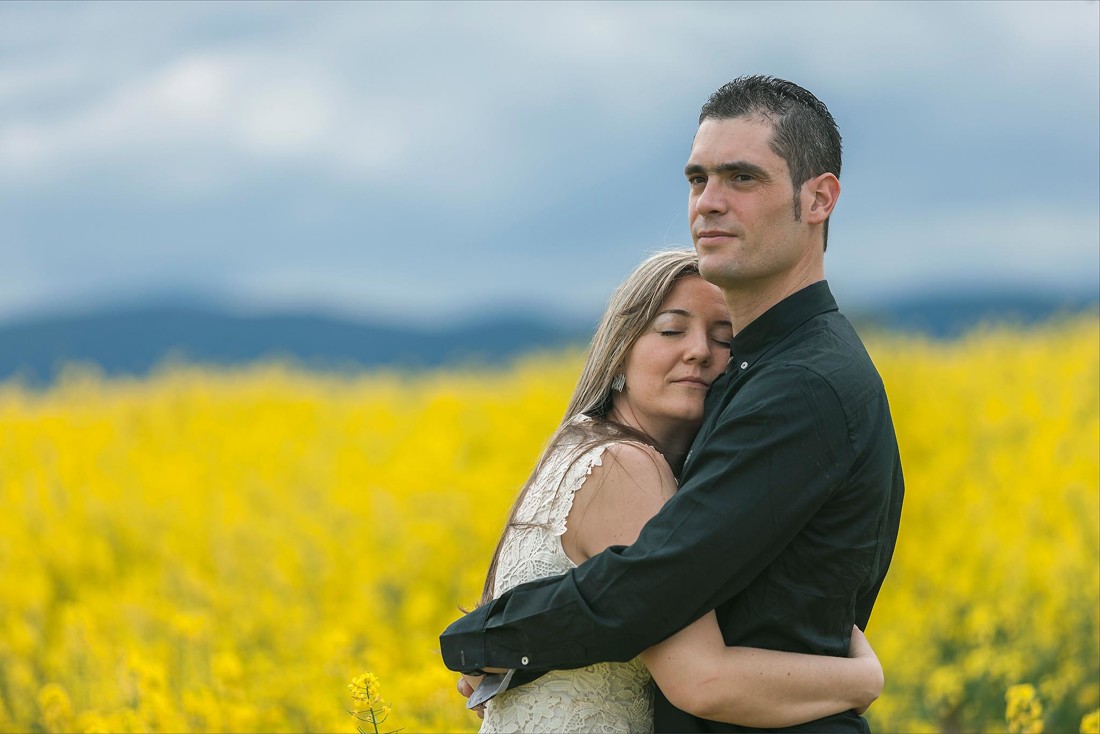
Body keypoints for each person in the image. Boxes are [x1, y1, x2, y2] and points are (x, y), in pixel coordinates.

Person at [441, 75, 905, 733]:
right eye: (697, 179)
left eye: (742, 178)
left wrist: (488, 637)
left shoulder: (802, 382)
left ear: (819, 198)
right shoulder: (748, 371)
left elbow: (655, 583)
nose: (708, 204)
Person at [467, 249, 883, 732]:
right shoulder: (627, 467)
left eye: (724, 337)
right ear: (620, 350)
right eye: (671, 329)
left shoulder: (581, 442)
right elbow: (702, 681)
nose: (700, 351)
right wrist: (860, 679)